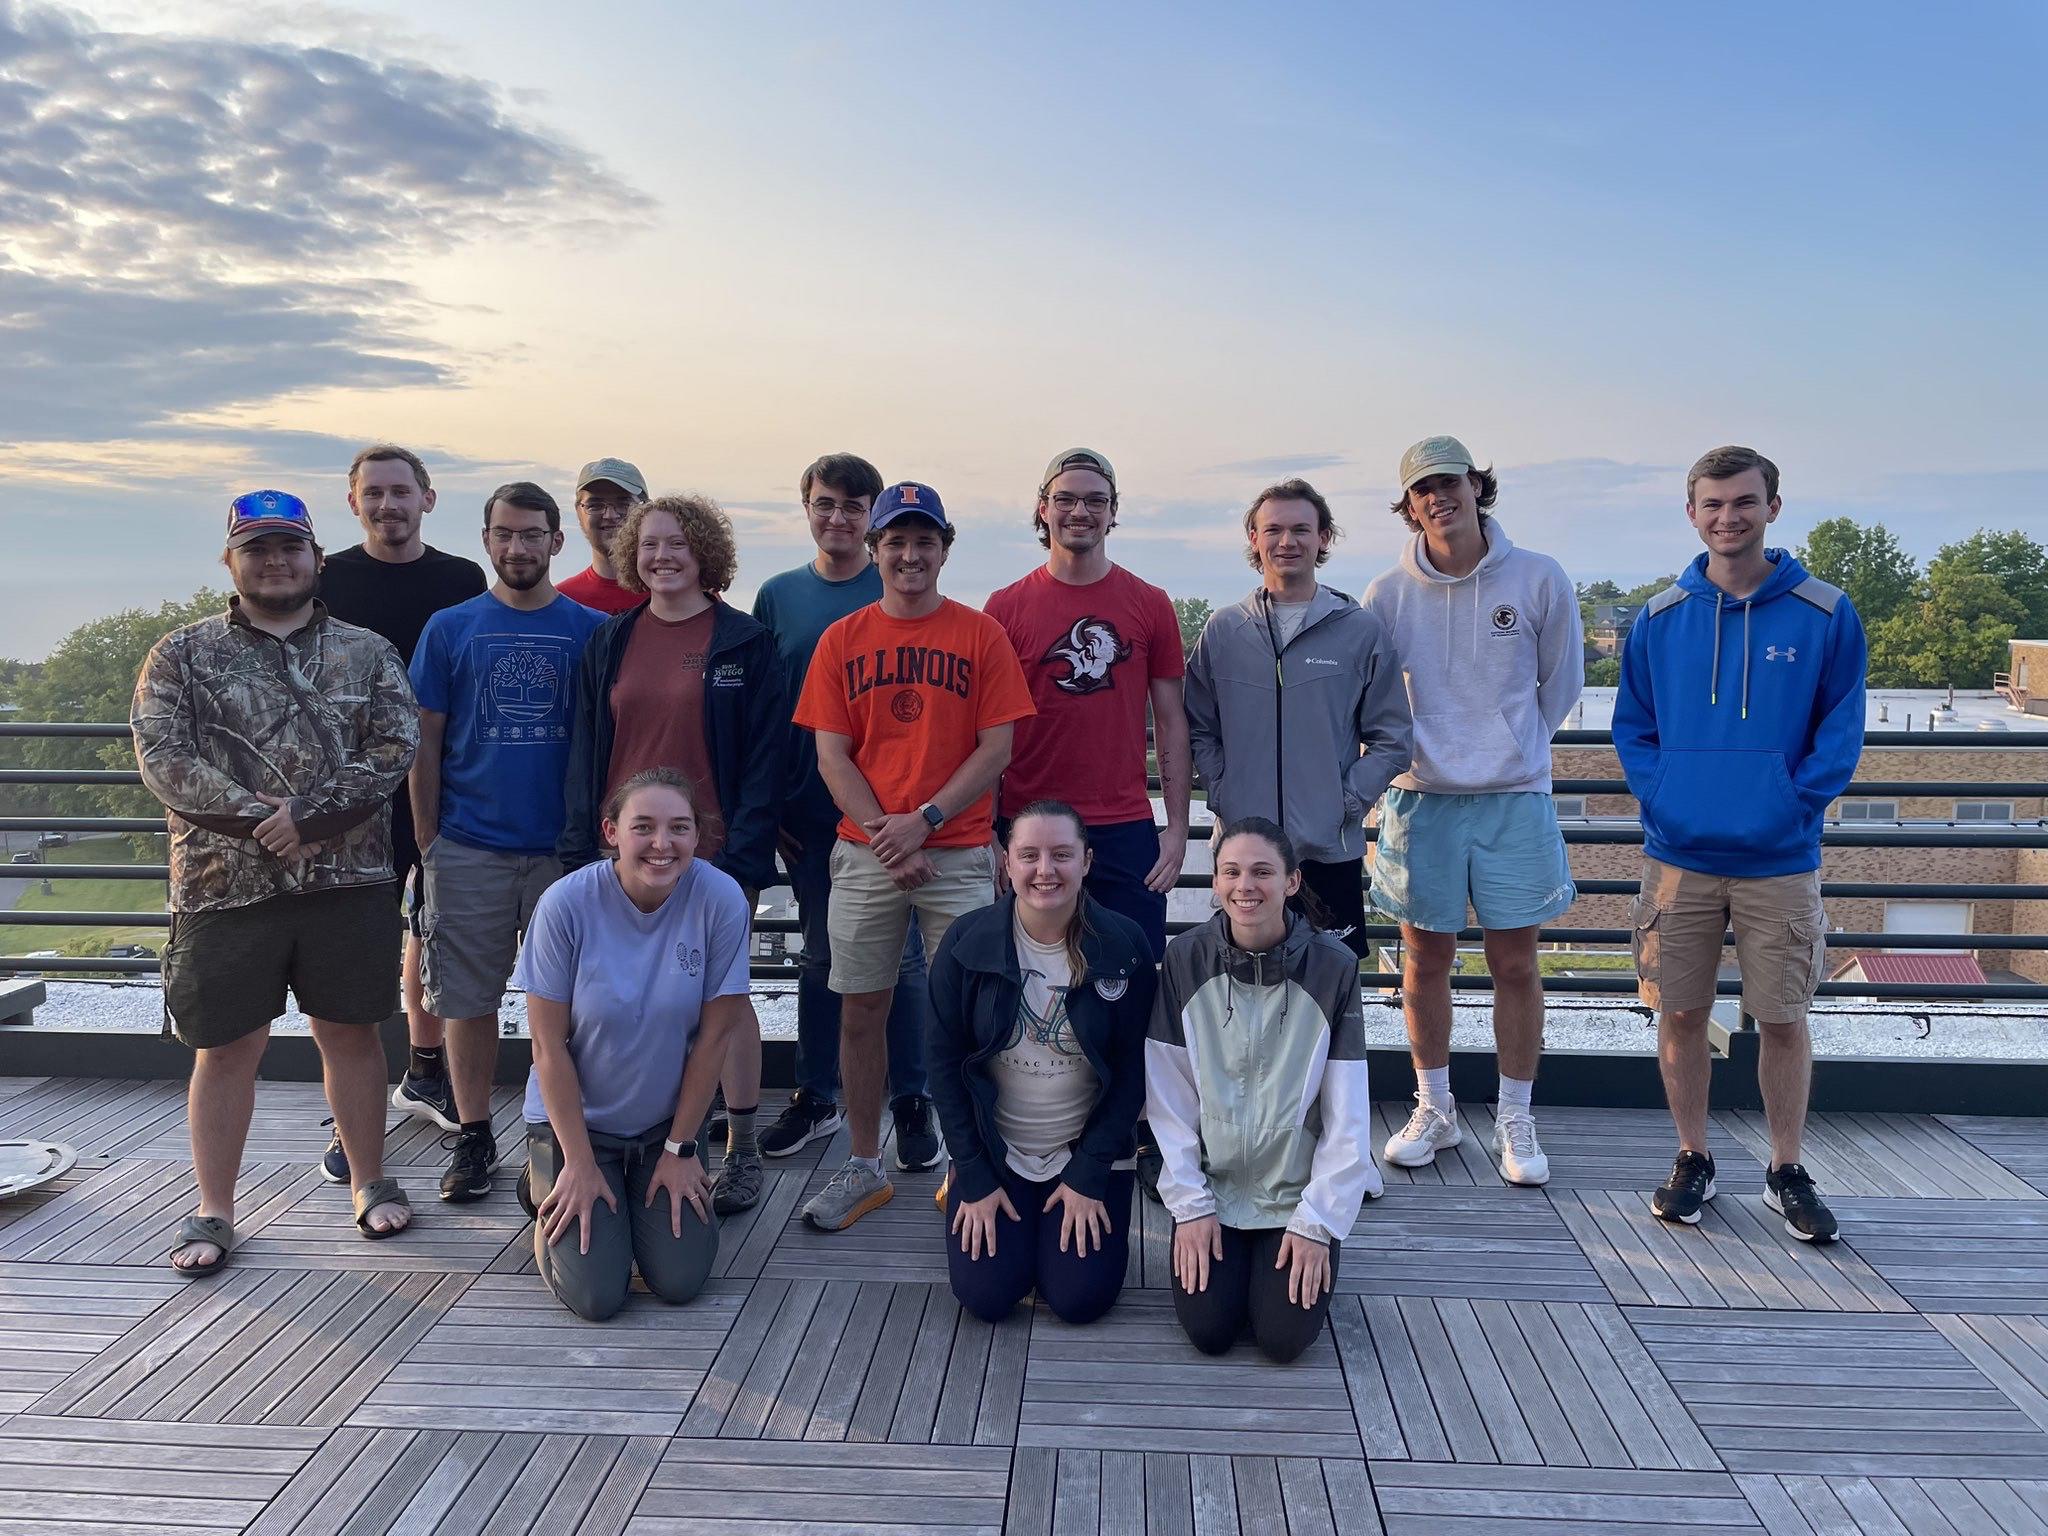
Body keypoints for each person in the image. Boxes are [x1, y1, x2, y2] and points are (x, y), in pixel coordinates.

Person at [134, 491, 419, 1275]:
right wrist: (258, 819)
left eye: (290, 546)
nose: (275, 560)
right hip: (222, 887)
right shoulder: (180, 654)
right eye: (257, 548)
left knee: (352, 1036)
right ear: (231, 561)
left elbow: (394, 747)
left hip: (348, 880)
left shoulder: (367, 652)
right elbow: (163, 755)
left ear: (316, 558)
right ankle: (214, 1209)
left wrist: (312, 816)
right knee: (226, 1050)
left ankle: (369, 1180)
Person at [1615, 446, 1865, 1243]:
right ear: (1691, 513)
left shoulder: (1826, 613)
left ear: (1773, 508)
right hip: (1678, 858)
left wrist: (1788, 804)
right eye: (1713, 504)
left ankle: (1786, 1168)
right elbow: (1635, 728)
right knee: (1681, 1015)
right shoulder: (1657, 618)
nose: (1728, 518)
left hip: (1780, 861)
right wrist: (1667, 798)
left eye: (1744, 503)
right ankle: (1694, 1157)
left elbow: (1841, 729)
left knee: (1784, 1019)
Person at [791, 481, 1036, 1231]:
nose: (909, 554)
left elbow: (998, 746)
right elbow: (831, 755)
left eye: (924, 541)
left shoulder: (979, 635)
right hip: (867, 854)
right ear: (876, 551)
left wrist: (924, 820)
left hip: (957, 852)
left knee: (973, 1011)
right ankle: (865, 1165)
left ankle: (967, 1162)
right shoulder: (844, 639)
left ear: (943, 550)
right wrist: (884, 834)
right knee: (861, 1007)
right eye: (895, 541)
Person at [1364, 437, 1585, 1187]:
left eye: (1448, 481)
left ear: (1475, 485)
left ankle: (1515, 1118)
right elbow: (1373, 701)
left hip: (1513, 799)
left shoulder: (1538, 577)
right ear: (1410, 502)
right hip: (1420, 800)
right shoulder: (1386, 594)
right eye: (1421, 488)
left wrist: (1506, 750)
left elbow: (1559, 687)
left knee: (1515, 964)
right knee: (1424, 962)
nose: (1437, 497)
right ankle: (1437, 1108)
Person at [559, 493, 784, 1215]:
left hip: (712, 857)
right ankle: (630, 1137)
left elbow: (766, 761)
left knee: (727, 1000)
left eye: (678, 545)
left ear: (705, 555)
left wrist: (744, 861)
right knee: (622, 991)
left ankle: (740, 1146)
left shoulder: (743, 642)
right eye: (650, 544)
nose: (662, 557)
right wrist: (579, 851)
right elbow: (588, 749)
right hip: (622, 857)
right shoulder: (611, 640)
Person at [409, 482, 605, 1203]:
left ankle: (569, 1131)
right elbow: (424, 742)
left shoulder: (589, 629)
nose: (517, 548)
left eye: (531, 535)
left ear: (557, 542)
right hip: (470, 847)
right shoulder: (451, 628)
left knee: (575, 1004)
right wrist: (430, 839)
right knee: (467, 999)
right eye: (503, 534)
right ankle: (473, 1135)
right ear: (486, 540)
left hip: (564, 851)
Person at [751, 454, 938, 1168]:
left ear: (875, 521)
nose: (839, 519)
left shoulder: (894, 583)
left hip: (902, 818)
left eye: (855, 507)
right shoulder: (778, 597)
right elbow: (769, 716)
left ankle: (912, 1097)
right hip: (809, 813)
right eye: (826, 503)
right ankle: (816, 1095)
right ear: (806, 507)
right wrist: (769, 812)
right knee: (822, 957)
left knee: (910, 964)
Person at [519, 769, 752, 1320]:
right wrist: (576, 1160)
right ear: (612, 831)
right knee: (599, 1297)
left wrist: (681, 1148)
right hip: (578, 1125)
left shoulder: (719, 900)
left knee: (680, 1279)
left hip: (661, 1131)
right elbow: (548, 1047)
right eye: (643, 826)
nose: (661, 844)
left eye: (679, 828)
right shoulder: (565, 905)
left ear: (699, 835)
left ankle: (627, 1190)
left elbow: (715, 1039)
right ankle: (543, 1178)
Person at [1145, 817, 1379, 1362]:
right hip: (1215, 1192)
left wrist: (1317, 1222)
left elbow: (1347, 1115)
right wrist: (1190, 1206)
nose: (1244, 886)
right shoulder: (1185, 958)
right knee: (1209, 1333)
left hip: (1295, 1195)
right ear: (1216, 880)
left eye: (1261, 872)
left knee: (1282, 1340)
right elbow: (1169, 1096)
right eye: (1231, 872)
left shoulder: (1334, 967)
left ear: (1291, 882)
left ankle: (1290, 1246)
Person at [316, 443, 486, 1185]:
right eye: (374, 493)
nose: (389, 505)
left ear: (428, 498)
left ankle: (425, 1071)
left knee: (435, 932)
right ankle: (357, 1123)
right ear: (353, 503)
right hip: (352, 796)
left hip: (442, 788)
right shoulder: (329, 579)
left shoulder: (460, 579)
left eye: (401, 491)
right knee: (356, 953)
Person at [927, 801, 1156, 1325]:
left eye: (1061, 855)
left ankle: (1052, 1221)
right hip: (996, 1149)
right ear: (1005, 863)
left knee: (1079, 1299)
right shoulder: (965, 943)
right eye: (1028, 855)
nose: (1044, 870)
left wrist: (1090, 1171)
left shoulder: (1124, 945)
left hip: (1084, 1148)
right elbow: (943, 1068)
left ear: (1087, 862)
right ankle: (998, 1207)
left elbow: (1135, 1070)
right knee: (986, 1295)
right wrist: (975, 1175)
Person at [1183, 478, 1413, 955]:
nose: (1286, 542)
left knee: (1332, 985)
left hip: (1328, 851)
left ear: (1324, 537)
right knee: (1241, 981)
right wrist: (1224, 792)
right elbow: (1199, 726)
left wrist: (1345, 803)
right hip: (1244, 854)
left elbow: (1393, 737)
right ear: (1254, 539)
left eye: (1301, 530)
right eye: (1273, 530)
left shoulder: (1360, 632)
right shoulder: (1225, 630)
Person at [985, 448, 1191, 958]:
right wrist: (989, 833)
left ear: (1113, 511)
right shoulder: (1004, 607)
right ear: (1042, 507)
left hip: (1123, 824)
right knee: (1030, 978)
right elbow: (988, 729)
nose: (1080, 512)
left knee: (1133, 974)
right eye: (1066, 499)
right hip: (1028, 821)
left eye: (1095, 500)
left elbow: (1170, 721)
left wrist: (1179, 828)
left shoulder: (1150, 603)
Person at [555, 458, 648, 615]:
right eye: (595, 505)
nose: (610, 515)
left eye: (624, 504)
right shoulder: (562, 602)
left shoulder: (676, 596)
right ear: (579, 512)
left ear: (646, 509)